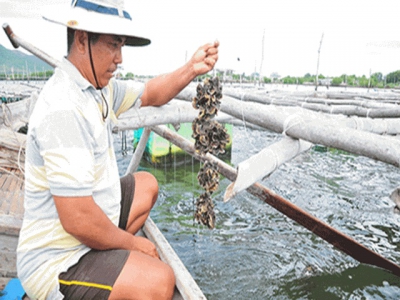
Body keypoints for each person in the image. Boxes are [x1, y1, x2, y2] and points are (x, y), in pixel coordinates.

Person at [16, 0, 219, 299]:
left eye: (121, 46)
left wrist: (191, 68)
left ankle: (107, 258)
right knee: (160, 281)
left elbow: (151, 92)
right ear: (82, 38)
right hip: (57, 258)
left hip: (86, 222)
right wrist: (133, 244)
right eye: (113, 45)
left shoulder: (98, 90)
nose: (119, 58)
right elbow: (77, 219)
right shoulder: (63, 107)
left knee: (147, 184)